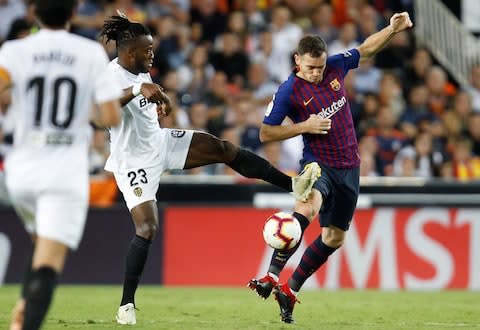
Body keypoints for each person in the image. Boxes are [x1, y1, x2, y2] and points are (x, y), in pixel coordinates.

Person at [98, 14, 321, 325]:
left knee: (224, 149)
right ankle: (126, 305)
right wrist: (139, 92)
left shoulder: (141, 73)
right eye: (147, 51)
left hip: (161, 144)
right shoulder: (110, 77)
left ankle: (292, 186)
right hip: (132, 162)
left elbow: (145, 94)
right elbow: (99, 114)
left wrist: (157, 98)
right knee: (147, 228)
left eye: (152, 49)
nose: (152, 55)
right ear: (129, 52)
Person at [248, 12, 413, 323]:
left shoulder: (335, 66)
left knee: (335, 238)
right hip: (318, 164)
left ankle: (290, 289)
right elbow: (265, 132)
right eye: (310, 68)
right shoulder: (288, 91)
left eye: (320, 67)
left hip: (350, 167)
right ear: (297, 61)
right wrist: (304, 125)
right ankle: (270, 275)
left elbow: (365, 49)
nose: (316, 73)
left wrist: (391, 29)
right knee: (306, 211)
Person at [0, 1, 122, 329]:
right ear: (73, 12)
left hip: (21, 168)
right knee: (49, 264)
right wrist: (86, 111)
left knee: (40, 241)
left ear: (33, 12)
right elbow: (111, 116)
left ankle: (21, 312)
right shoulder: (89, 54)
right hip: (63, 170)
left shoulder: (13, 50)